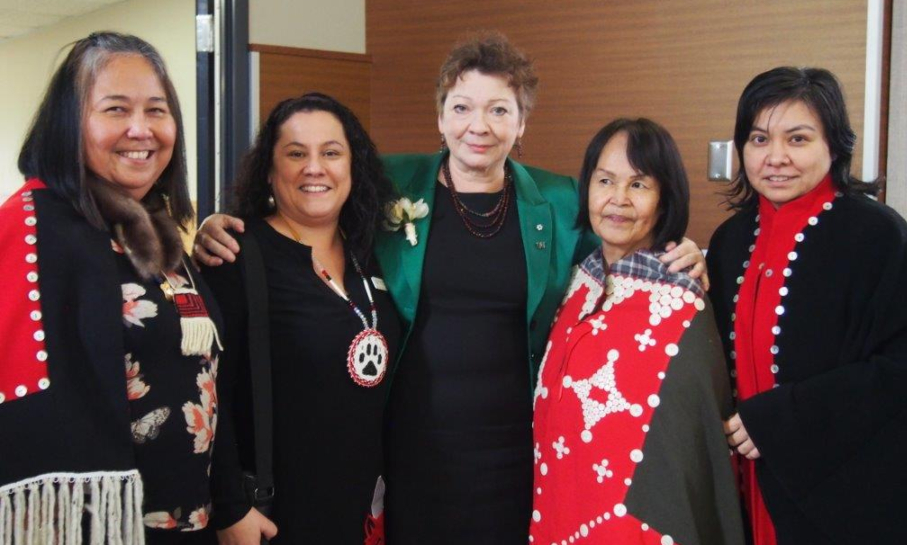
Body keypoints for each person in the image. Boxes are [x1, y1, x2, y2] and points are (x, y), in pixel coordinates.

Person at [194, 32, 706, 544]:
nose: (478, 126)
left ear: (522, 122)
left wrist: (679, 248)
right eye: (462, 107)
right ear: (441, 117)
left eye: (499, 111)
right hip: (411, 449)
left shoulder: (556, 198)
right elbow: (310, 195)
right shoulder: (392, 182)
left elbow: (618, 245)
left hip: (515, 449)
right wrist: (229, 224)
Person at [0, 32, 223, 544]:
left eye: (157, 110)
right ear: (69, 124)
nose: (141, 129)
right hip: (96, 526)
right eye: (116, 110)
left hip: (189, 522)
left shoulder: (154, 231)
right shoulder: (31, 229)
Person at [707, 67, 907, 545]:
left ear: (834, 145)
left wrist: (784, 419)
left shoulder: (878, 236)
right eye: (759, 139)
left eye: (798, 139)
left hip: (843, 491)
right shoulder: (729, 240)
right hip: (747, 483)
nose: (775, 158)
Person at [530, 118, 744, 545]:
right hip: (561, 499)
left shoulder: (682, 296)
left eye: (639, 185)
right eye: (605, 180)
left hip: (637, 523)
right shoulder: (577, 280)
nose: (618, 200)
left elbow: (688, 448)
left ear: (665, 199)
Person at [203, 92, 400, 544]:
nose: (315, 167)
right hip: (274, 515)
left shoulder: (371, 252)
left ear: (353, 166)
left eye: (331, 153)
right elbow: (210, 396)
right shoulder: (236, 257)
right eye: (296, 154)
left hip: (363, 510)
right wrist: (232, 508)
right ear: (270, 171)